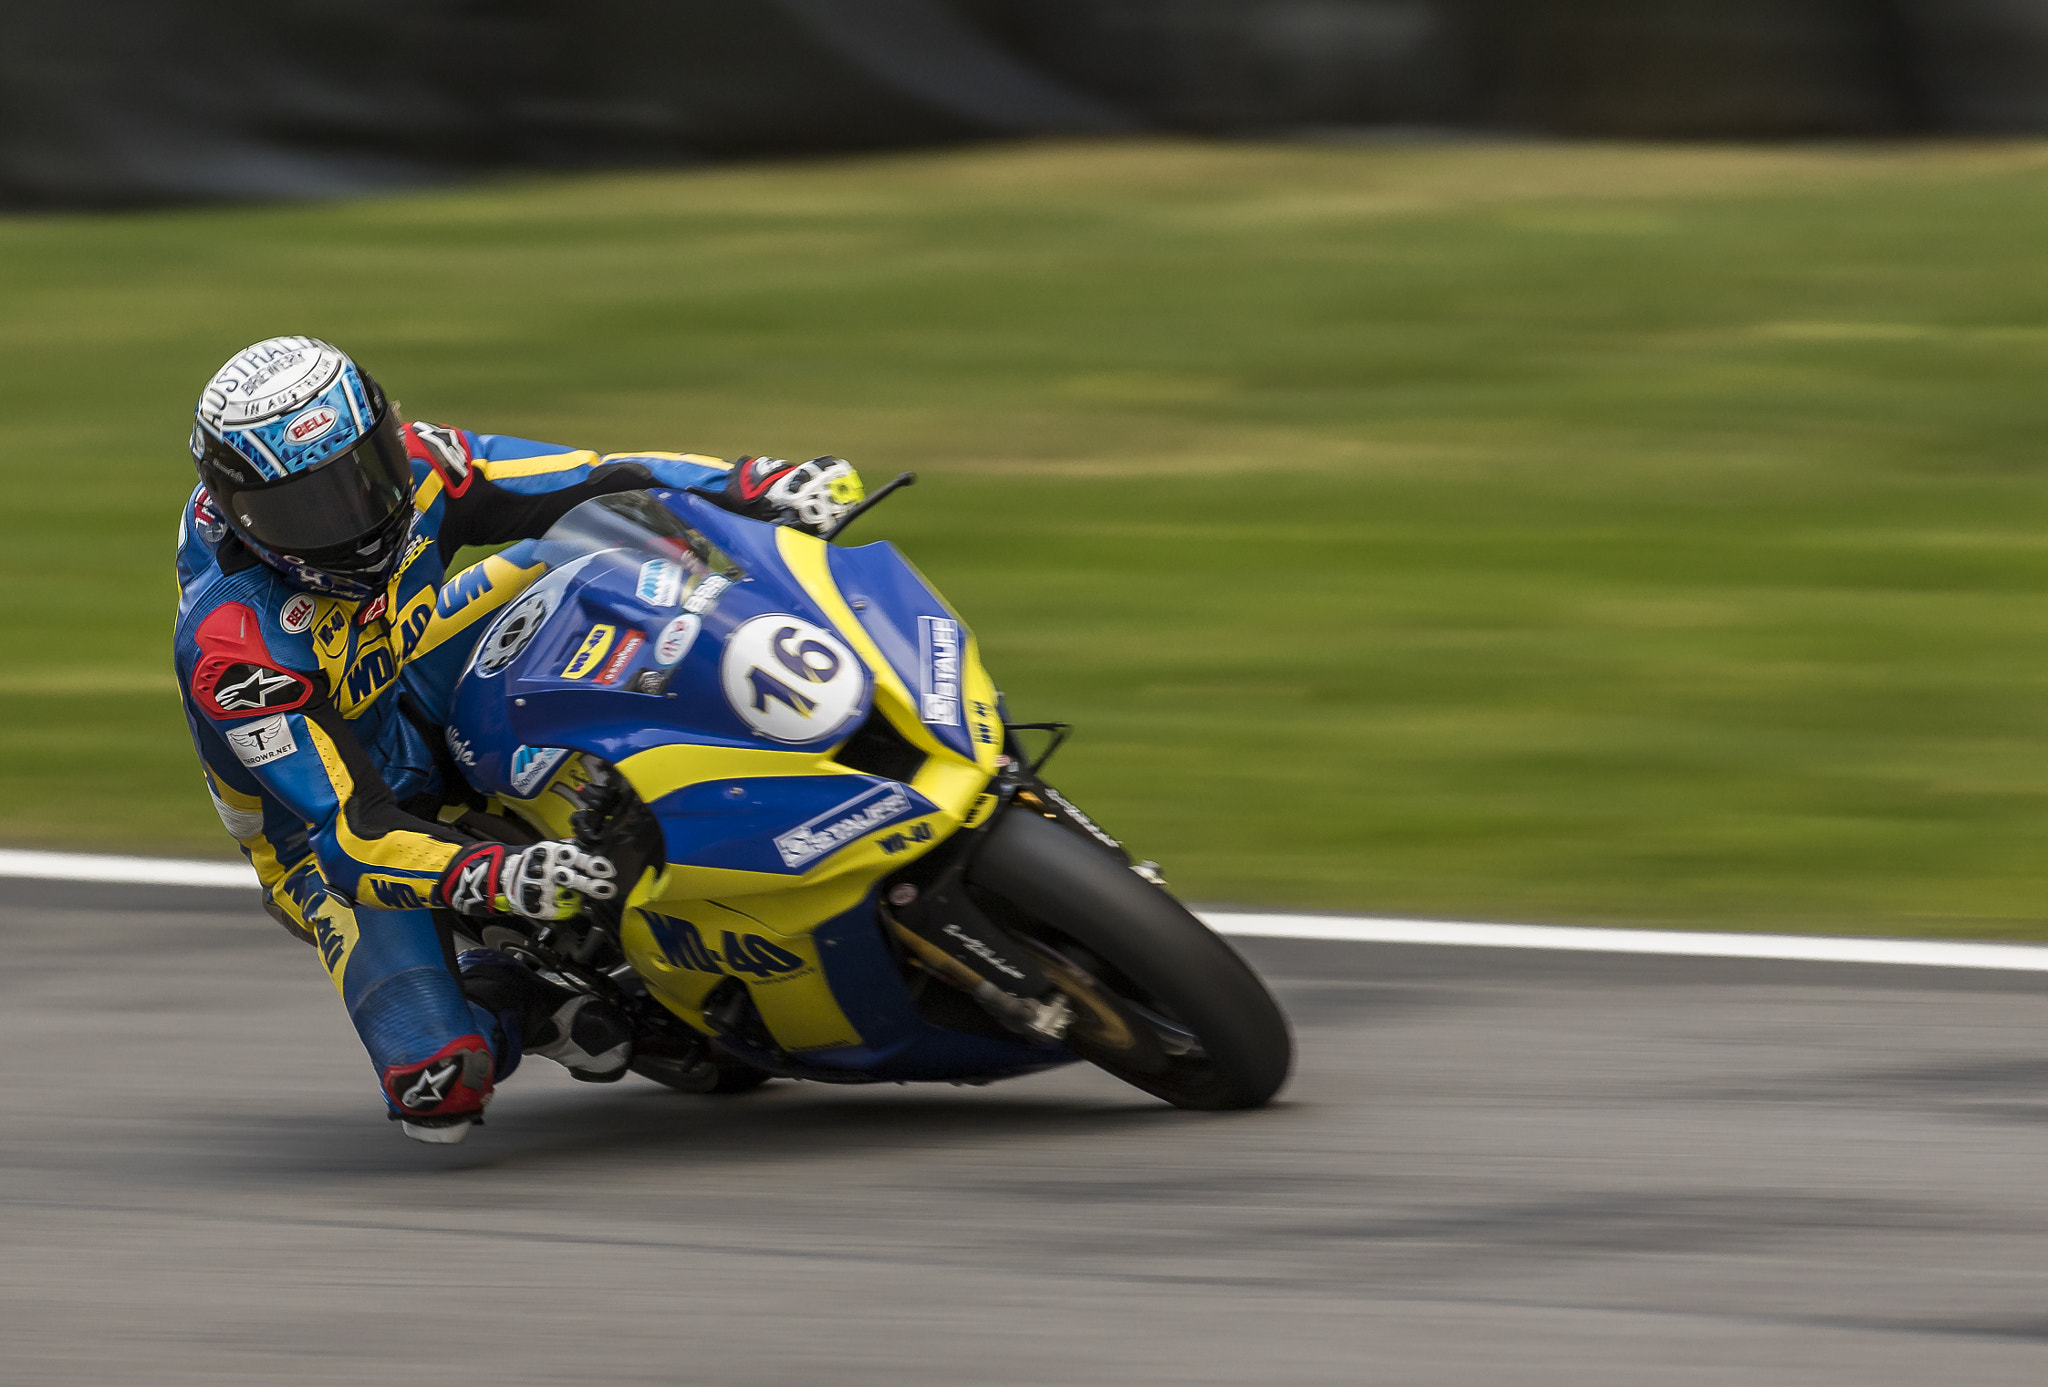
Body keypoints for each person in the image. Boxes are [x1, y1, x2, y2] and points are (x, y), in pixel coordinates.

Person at [173, 336, 863, 1143]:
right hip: (327, 827)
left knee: (611, 544)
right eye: (310, 510)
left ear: (388, 438)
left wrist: (760, 486)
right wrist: (498, 875)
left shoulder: (425, 461)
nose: (355, 521)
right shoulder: (234, 648)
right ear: (241, 511)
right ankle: (524, 998)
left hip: (411, 661)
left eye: (365, 479)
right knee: (436, 1089)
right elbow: (351, 835)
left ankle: (772, 726)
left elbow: (590, 478)